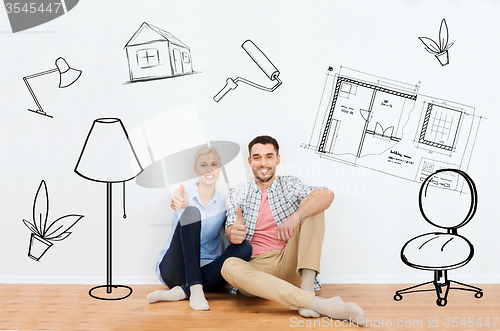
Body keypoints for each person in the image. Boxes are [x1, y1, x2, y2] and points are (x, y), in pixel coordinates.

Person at [221, 135, 365, 325]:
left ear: (277, 160)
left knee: (313, 204)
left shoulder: (289, 184)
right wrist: (233, 232)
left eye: (269, 157)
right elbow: (231, 227)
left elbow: (326, 195)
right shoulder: (237, 191)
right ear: (250, 162)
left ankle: (306, 286)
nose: (263, 163)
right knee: (228, 266)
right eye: (257, 158)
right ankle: (320, 304)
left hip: (288, 261)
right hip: (257, 268)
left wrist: (295, 217)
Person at [147, 146, 252, 311]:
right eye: (203, 165)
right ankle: (195, 288)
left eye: (214, 164)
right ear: (195, 169)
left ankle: (183, 291)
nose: (209, 169)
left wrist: (236, 229)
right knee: (192, 212)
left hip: (207, 270)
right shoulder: (184, 193)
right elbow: (180, 200)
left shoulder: (225, 203)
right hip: (174, 269)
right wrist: (181, 203)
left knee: (245, 248)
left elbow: (231, 231)